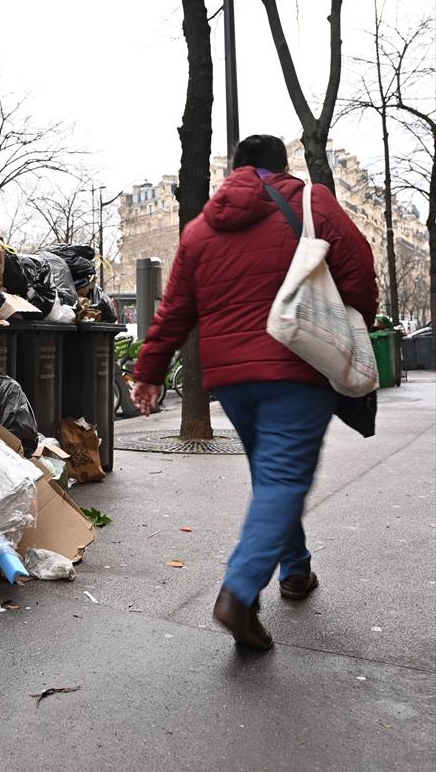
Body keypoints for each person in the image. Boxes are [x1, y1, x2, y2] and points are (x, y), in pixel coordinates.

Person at [131, 134, 377, 651]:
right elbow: (358, 268)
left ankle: (297, 569)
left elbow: (175, 307)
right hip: (297, 363)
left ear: (235, 171)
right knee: (285, 479)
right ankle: (239, 593)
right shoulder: (312, 201)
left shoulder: (201, 228)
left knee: (272, 476)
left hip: (231, 380)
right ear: (281, 167)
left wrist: (149, 371)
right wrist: (351, 321)